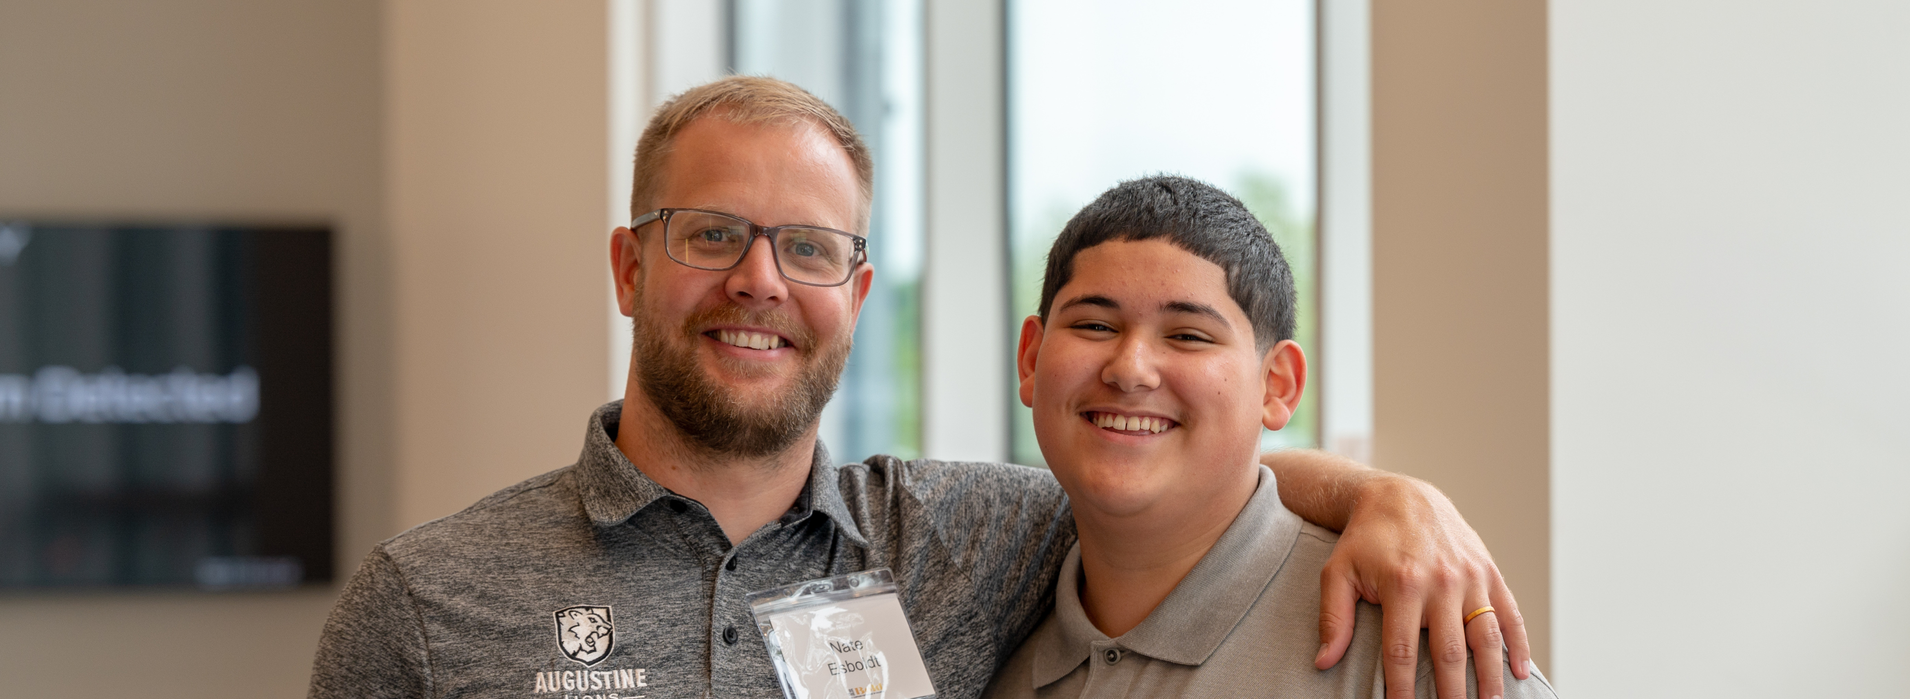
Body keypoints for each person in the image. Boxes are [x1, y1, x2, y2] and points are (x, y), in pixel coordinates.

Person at [308, 77, 1531, 699]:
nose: (760, 283)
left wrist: (1388, 498)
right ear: (630, 266)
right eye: (710, 235)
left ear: (857, 288)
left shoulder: (959, 536)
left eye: (809, 248)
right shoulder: (426, 600)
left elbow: (1160, 472)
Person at [985, 176, 1556, 698]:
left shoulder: (1419, 653)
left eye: (1188, 335)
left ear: (1277, 385)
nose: (1130, 368)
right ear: (1031, 359)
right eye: (1094, 326)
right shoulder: (977, 643)